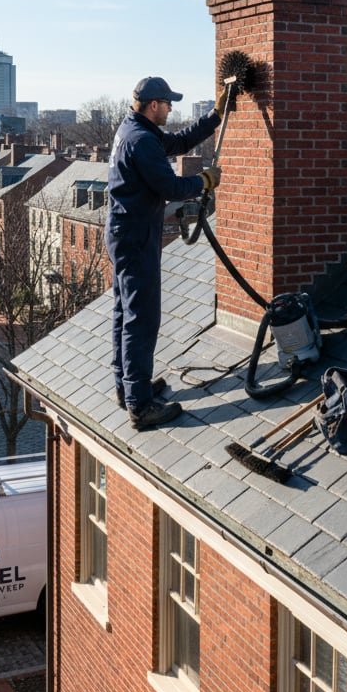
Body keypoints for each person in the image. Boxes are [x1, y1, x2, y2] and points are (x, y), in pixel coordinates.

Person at [107, 76, 226, 430]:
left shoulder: (134, 129)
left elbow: (176, 143)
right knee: (141, 319)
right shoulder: (141, 140)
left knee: (124, 313)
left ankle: (128, 386)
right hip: (136, 237)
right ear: (153, 104)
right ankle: (141, 407)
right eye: (168, 103)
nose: (172, 108)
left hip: (125, 234)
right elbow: (171, 186)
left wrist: (214, 118)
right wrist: (204, 181)